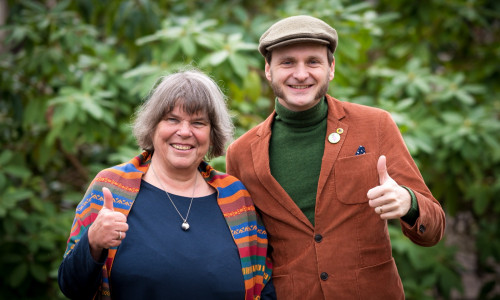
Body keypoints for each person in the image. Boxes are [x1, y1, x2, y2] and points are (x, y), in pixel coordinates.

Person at [226, 15, 446, 299]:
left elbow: (434, 230)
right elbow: (245, 248)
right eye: (288, 62)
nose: (301, 74)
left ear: (331, 68)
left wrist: (409, 203)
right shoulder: (241, 153)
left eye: (313, 62)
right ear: (268, 70)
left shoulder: (375, 125)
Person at [58, 69, 275, 300]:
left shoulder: (236, 198)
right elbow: (72, 288)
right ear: (153, 127)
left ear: (213, 134)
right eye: (172, 119)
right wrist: (93, 242)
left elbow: (265, 286)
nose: (184, 132)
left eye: (198, 123)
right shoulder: (111, 188)